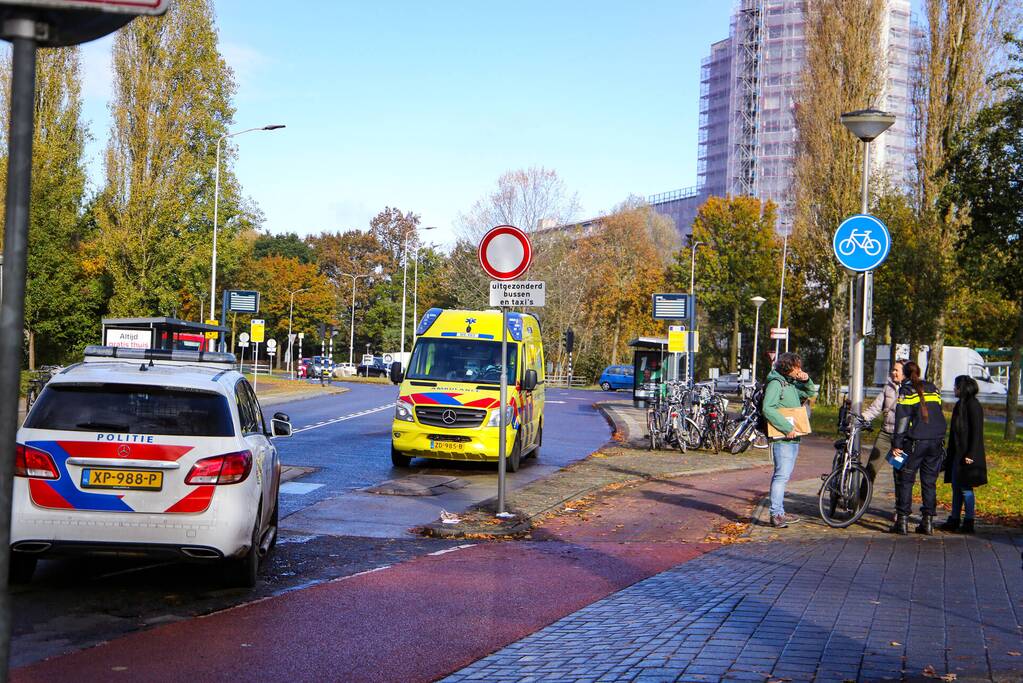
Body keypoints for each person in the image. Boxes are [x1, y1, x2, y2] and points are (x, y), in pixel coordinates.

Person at [762, 352, 818, 528]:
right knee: (781, 476)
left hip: (793, 438)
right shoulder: (776, 384)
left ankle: (779, 512)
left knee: (784, 476)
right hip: (783, 437)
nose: (799, 370)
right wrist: (786, 429)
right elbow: (767, 408)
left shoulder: (791, 384)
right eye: (797, 367)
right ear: (788, 367)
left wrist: (806, 379)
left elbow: (810, 392)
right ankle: (776, 514)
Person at [890, 360, 946, 535]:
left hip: (914, 442)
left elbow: (902, 420)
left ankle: (902, 521)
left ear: (905, 373)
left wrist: (897, 444)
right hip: (936, 441)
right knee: (929, 482)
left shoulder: (906, 390)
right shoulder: (933, 388)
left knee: (904, 478)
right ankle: (928, 522)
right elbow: (938, 411)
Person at [939, 375, 987, 534]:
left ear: (963, 388)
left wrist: (971, 453)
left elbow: (976, 431)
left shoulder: (973, 405)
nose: (954, 389)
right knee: (956, 486)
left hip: (966, 454)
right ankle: (954, 518)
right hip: (957, 454)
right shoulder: (960, 404)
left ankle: (969, 520)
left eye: (956, 386)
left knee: (966, 488)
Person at [860, 360, 905, 480]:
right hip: (885, 434)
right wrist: (862, 417)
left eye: (897, 370)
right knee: (871, 469)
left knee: (899, 471)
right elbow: (875, 408)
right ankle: (861, 498)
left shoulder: (911, 390)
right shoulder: (888, 387)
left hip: (901, 438)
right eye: (893, 369)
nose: (893, 372)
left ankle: (900, 498)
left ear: (905, 373)